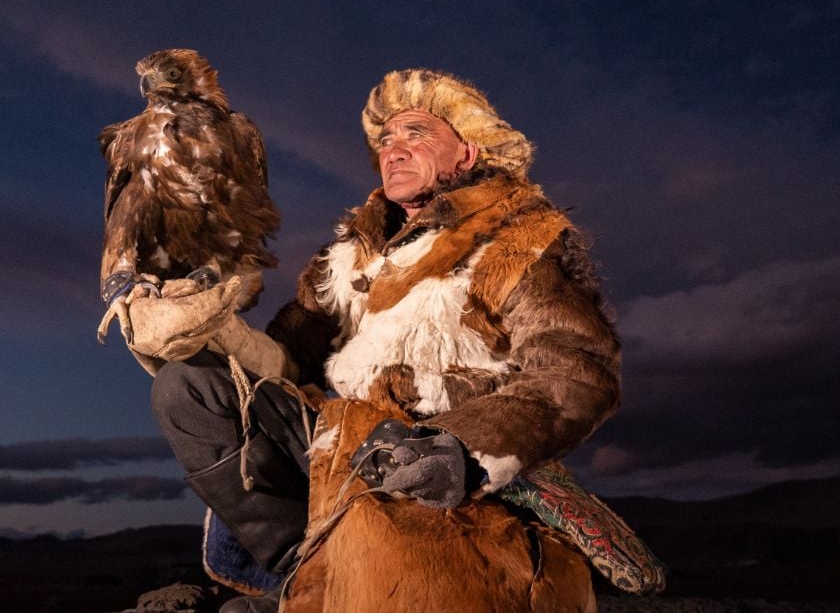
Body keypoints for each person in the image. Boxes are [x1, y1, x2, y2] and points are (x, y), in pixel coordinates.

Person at [147, 68, 621, 612]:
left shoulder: (519, 241)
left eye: (416, 133)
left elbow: (575, 371)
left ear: (467, 154)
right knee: (187, 387)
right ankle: (302, 568)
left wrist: (464, 446)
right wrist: (204, 331)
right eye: (385, 140)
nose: (392, 150)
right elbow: (284, 357)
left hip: (430, 440)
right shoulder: (348, 255)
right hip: (334, 436)